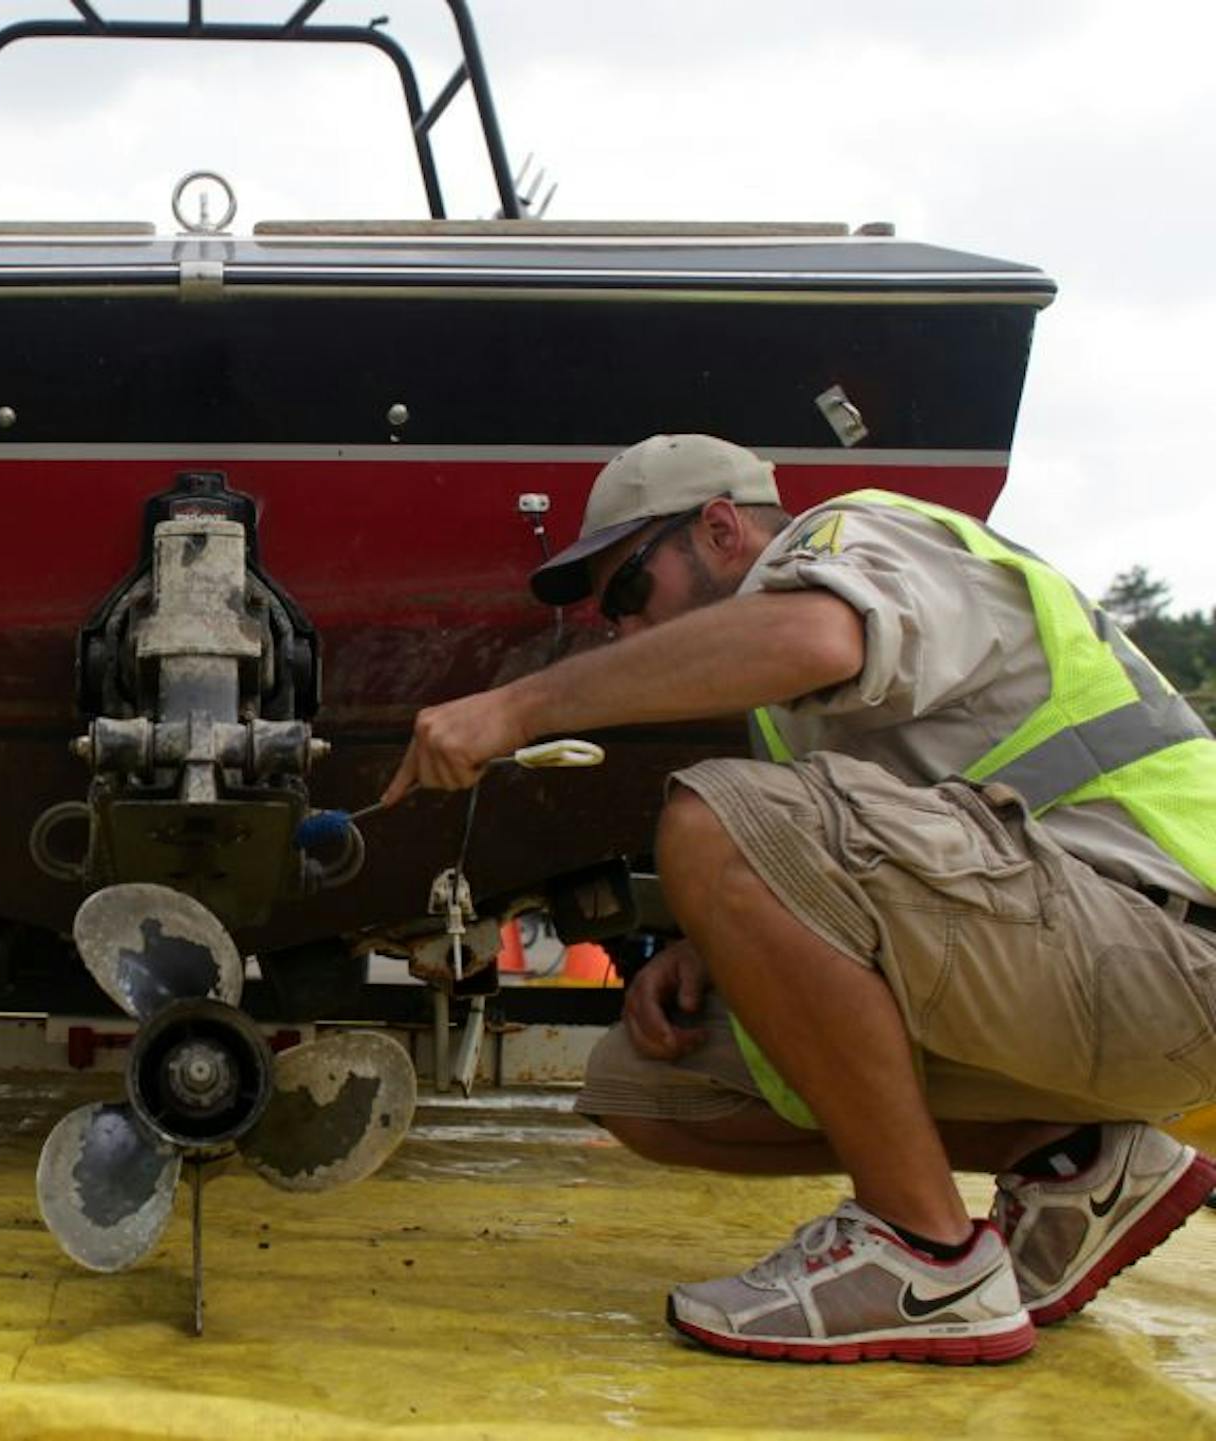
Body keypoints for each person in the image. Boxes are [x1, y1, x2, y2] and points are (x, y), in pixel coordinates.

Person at [383, 433, 1216, 1364]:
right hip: (1086, 967)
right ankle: (1075, 1154)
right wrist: (722, 937)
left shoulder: (859, 533)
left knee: (716, 815)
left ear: (722, 528)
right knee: (646, 1086)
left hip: (1169, 940)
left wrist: (517, 708)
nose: (620, 630)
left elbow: (815, 634)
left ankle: (923, 1254)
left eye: (627, 592)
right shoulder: (794, 718)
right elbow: (905, 851)